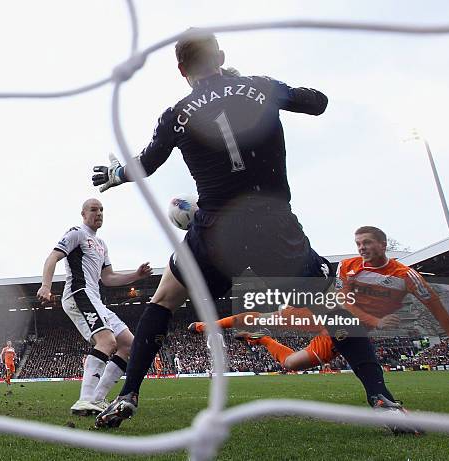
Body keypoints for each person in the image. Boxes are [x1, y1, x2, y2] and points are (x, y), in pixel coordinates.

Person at [93, 31, 337, 428]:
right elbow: (318, 103)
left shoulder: (178, 112)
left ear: (181, 70)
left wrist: (117, 173)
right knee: (333, 305)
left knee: (163, 301)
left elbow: (148, 163)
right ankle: (382, 399)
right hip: (274, 227)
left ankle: (128, 395)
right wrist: (263, 87)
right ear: (221, 56)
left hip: (215, 231)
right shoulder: (261, 87)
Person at [191, 226, 449, 432]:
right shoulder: (348, 267)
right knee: (266, 316)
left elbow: (439, 311)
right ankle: (383, 400)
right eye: (358, 244)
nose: (362, 248)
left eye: (367, 243)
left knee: (291, 363)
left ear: (383, 244)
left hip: (342, 331)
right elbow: (341, 303)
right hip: (327, 317)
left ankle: (263, 341)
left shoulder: (406, 277)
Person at [36, 198, 152, 416]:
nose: (98, 213)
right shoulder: (76, 233)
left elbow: (108, 278)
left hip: (95, 297)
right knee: (107, 341)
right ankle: (85, 399)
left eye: (101, 210)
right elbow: (53, 257)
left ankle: (97, 400)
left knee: (129, 344)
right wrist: (46, 285)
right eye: (93, 209)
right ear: (83, 213)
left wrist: (136, 275)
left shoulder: (102, 245)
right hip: (78, 293)